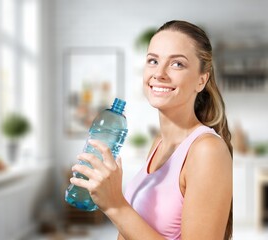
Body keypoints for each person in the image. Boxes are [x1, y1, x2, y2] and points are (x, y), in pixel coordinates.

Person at [70, 20, 233, 240]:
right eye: (153, 61)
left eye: (177, 64)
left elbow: (121, 212)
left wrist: (115, 206)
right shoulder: (159, 143)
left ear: (201, 80)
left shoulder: (207, 151)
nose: (159, 73)